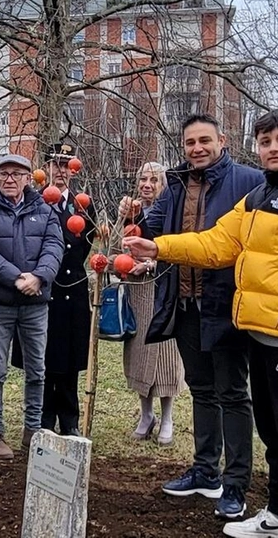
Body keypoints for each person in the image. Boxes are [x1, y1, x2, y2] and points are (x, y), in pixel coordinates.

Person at [125, 108, 278, 538]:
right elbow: (216, 243)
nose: (273, 148)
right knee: (275, 434)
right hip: (261, 335)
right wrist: (157, 247)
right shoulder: (257, 197)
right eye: (266, 141)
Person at [139, 114, 263, 519]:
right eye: (190, 142)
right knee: (202, 389)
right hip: (185, 303)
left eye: (204, 140)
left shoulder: (248, 182)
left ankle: (236, 483)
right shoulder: (175, 184)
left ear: (222, 140)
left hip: (226, 305)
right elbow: (153, 229)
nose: (197, 148)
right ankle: (206, 471)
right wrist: (135, 222)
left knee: (232, 394)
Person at [0, 153, 64, 457]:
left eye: (16, 173)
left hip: (36, 303)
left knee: (37, 369)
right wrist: (15, 278)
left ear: (28, 177)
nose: (9, 179)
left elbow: (54, 247)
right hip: (0, 302)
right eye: (3, 173)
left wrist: (39, 277)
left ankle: (33, 429)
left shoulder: (45, 209)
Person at [26, 142, 97, 436]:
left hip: (73, 288)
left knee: (69, 356)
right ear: (46, 169)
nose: (62, 171)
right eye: (56, 164)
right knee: (44, 354)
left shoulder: (82, 204)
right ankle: (44, 415)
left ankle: (69, 417)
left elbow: (88, 240)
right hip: (45, 289)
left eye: (67, 165)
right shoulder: (36, 202)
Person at [118, 161, 185, 445]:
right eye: (143, 179)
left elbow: (179, 251)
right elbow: (114, 249)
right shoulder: (130, 214)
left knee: (167, 355)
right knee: (141, 352)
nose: (147, 185)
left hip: (164, 290)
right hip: (137, 293)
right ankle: (146, 415)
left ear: (163, 185)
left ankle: (167, 416)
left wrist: (149, 265)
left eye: (154, 180)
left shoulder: (174, 212)